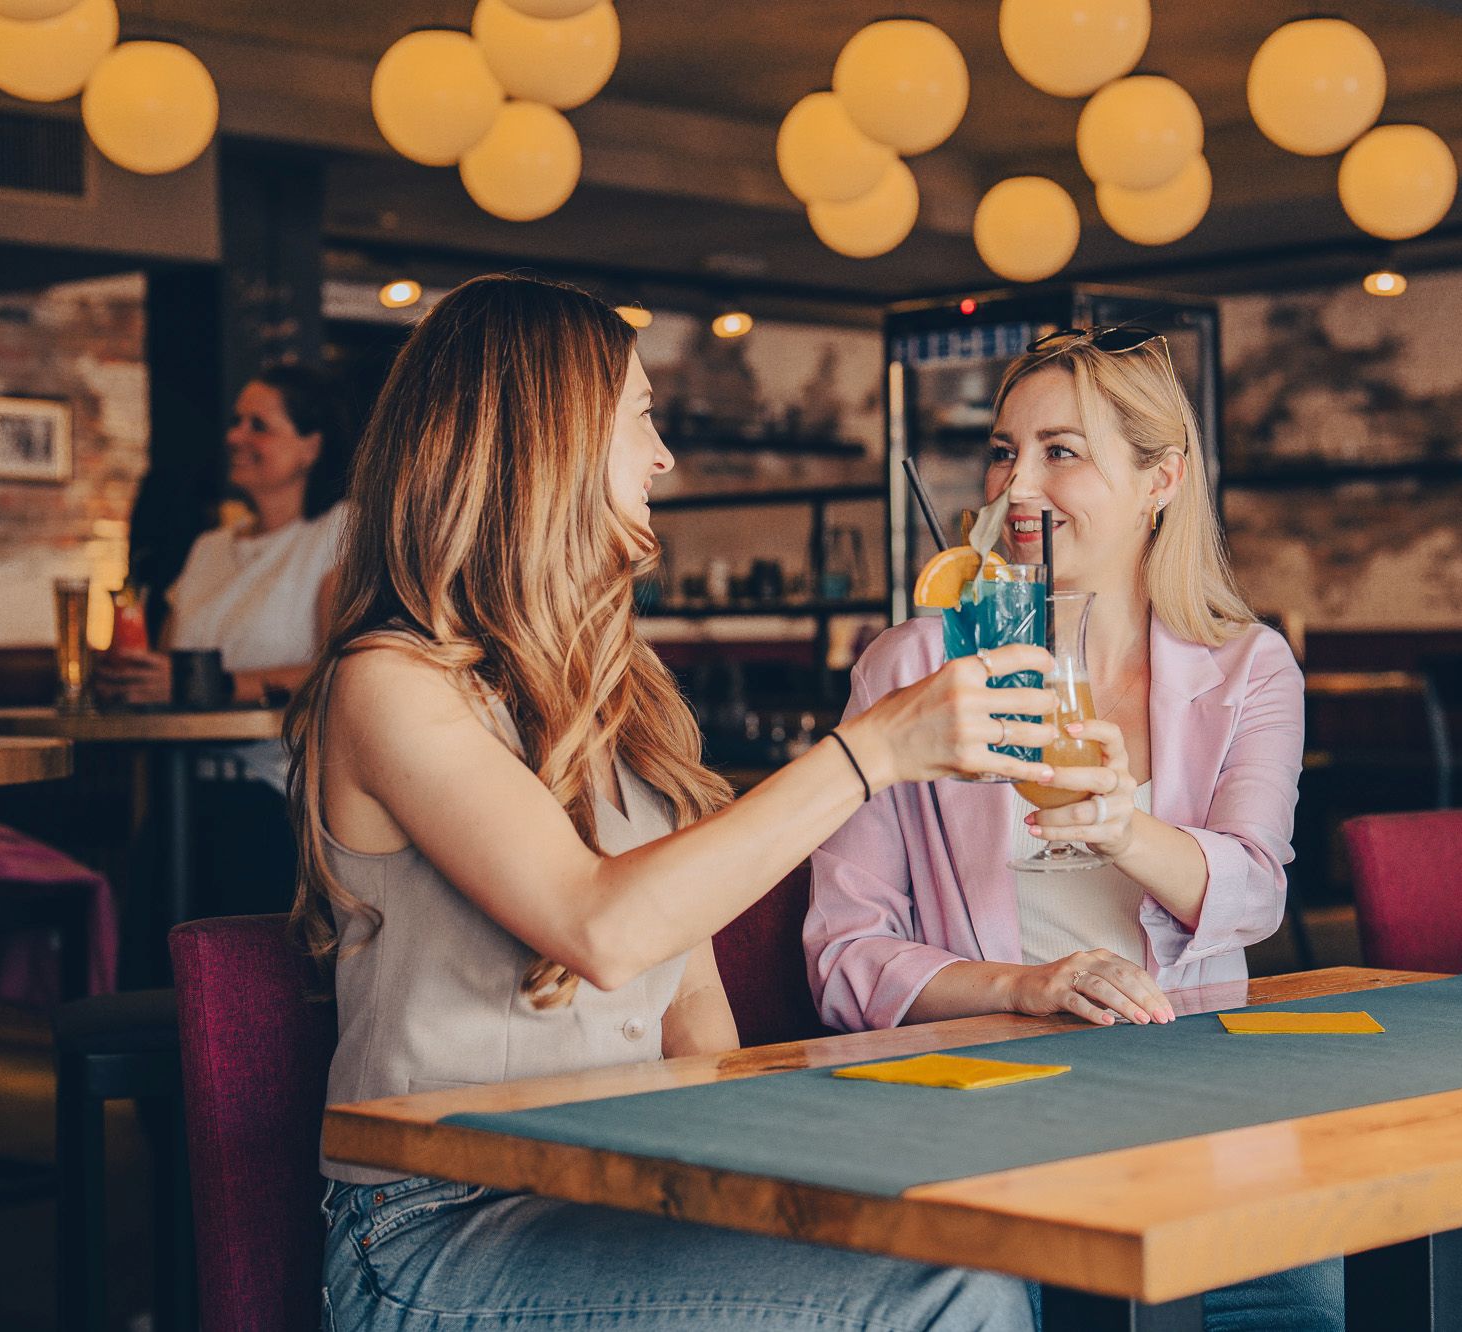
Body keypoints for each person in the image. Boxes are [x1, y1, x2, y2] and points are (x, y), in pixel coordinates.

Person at [298, 274, 1056, 1329]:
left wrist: (789, 1169)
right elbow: (603, 926)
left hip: (620, 1186)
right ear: (544, 443)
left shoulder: (623, 689)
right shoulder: (391, 685)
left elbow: (687, 1007)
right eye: (641, 421)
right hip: (436, 1228)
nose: (662, 457)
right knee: (949, 1290)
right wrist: (872, 751)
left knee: (960, 1240)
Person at [805, 328, 1337, 1329]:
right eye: (1004, 451)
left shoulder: (1245, 667)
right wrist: (1027, 988)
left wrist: (1122, 827)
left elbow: (1256, 892)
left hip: (1196, 1105)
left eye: (1060, 452)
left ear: (1158, 480)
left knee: (1307, 1303)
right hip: (979, 1109)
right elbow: (843, 953)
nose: (1016, 488)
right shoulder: (910, 667)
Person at [97, 363, 353, 912]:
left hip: (276, 802)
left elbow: (343, 668)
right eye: (236, 422)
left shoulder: (339, 533)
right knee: (154, 974)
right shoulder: (208, 548)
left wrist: (208, 683)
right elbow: (165, 665)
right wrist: (132, 677)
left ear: (310, 446)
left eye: (258, 425)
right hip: (180, 791)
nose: (236, 436)